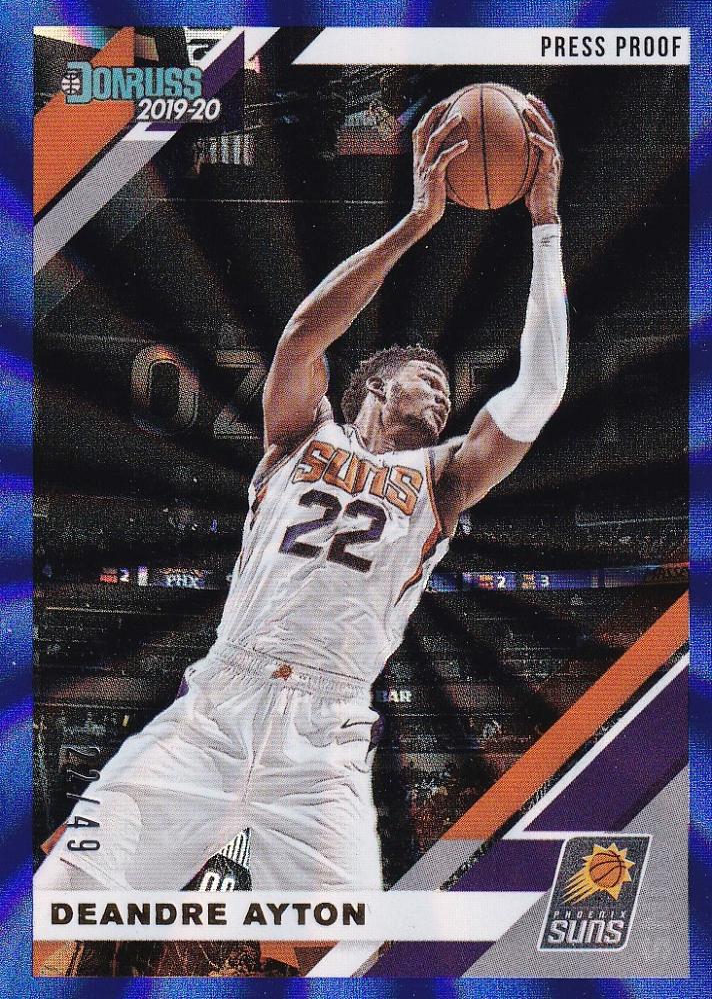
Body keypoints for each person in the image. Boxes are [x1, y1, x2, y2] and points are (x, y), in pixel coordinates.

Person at [34, 94, 567, 894]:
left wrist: (545, 225)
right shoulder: (299, 435)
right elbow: (301, 339)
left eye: (446, 391)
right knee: (60, 901)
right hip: (213, 713)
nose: (442, 395)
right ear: (375, 388)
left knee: (358, 946)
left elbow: (542, 389)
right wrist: (417, 222)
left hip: (326, 745)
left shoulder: (445, 478)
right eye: (425, 379)